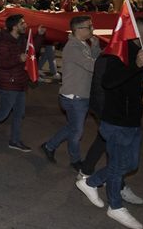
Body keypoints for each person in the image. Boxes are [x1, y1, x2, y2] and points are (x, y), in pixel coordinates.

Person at [75, 17, 143, 229]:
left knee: (131, 164)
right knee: (118, 166)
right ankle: (115, 207)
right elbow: (108, 82)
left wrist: (142, 64)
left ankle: (90, 182)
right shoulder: (115, 53)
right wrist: (136, 66)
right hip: (115, 120)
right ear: (140, 35)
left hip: (132, 119)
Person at [0, 14, 45, 151]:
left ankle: (15, 140)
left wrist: (39, 36)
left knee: (19, 114)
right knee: (4, 112)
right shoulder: (4, 43)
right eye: (22, 23)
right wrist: (18, 58)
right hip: (8, 84)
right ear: (14, 27)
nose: (25, 25)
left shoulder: (22, 39)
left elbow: (32, 51)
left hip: (20, 82)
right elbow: (2, 63)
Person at [40, 16, 100, 169]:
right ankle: (75, 160)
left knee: (73, 127)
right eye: (89, 26)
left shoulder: (82, 44)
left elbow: (93, 61)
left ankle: (49, 146)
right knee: (77, 132)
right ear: (78, 30)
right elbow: (93, 66)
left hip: (80, 94)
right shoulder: (73, 47)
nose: (92, 29)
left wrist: (94, 47)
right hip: (74, 97)